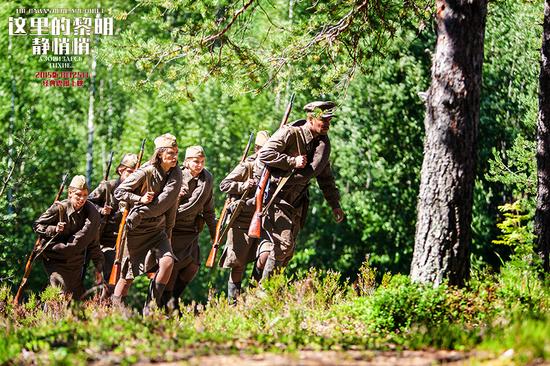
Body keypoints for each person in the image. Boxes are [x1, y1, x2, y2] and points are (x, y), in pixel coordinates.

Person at [253, 101, 345, 281]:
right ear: (310, 118)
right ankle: (262, 292)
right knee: (284, 245)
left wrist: (335, 205)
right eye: (322, 120)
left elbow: (325, 177)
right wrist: (291, 161)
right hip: (276, 197)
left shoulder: (321, 145)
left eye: (329, 121)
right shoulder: (290, 133)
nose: (326, 124)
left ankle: (258, 287)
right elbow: (265, 154)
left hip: (297, 202)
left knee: (287, 252)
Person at [112, 133, 182, 309]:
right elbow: (120, 192)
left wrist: (169, 232)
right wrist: (139, 199)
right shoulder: (146, 171)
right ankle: (116, 314)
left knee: (167, 262)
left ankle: (151, 307)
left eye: (176, 153)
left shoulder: (176, 174)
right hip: (136, 229)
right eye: (170, 153)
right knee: (126, 276)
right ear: (160, 154)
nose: (174, 157)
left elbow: (168, 205)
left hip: (157, 229)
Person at [163, 146, 216, 312]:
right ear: (186, 162)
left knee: (192, 266)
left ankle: (173, 298)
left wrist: (216, 235)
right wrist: (177, 196)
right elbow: (163, 205)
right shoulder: (175, 176)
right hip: (172, 229)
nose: (199, 165)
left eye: (202, 162)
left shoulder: (207, 179)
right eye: (195, 161)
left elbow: (209, 210)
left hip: (191, 231)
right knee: (171, 269)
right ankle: (168, 306)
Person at [219, 131, 270, 303]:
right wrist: (243, 185)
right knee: (237, 265)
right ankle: (233, 304)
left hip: (263, 220)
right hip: (241, 221)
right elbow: (224, 185)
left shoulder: (273, 167)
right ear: (257, 149)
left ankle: (252, 298)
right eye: (264, 149)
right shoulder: (247, 166)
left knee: (263, 258)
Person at [33, 175, 104, 299]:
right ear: (70, 193)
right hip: (55, 259)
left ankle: (48, 316)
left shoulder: (92, 215)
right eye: (78, 195)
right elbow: (37, 225)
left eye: (85, 195)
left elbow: (94, 243)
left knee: (74, 299)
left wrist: (99, 268)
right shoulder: (60, 208)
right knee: (59, 296)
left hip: (75, 263)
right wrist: (54, 229)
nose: (82, 199)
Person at [88, 153, 138, 283]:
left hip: (124, 242)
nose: (132, 176)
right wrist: (101, 210)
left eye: (135, 173)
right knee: (107, 273)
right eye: (129, 172)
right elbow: (87, 203)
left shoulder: (137, 192)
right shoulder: (108, 186)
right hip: (103, 241)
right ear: (121, 170)